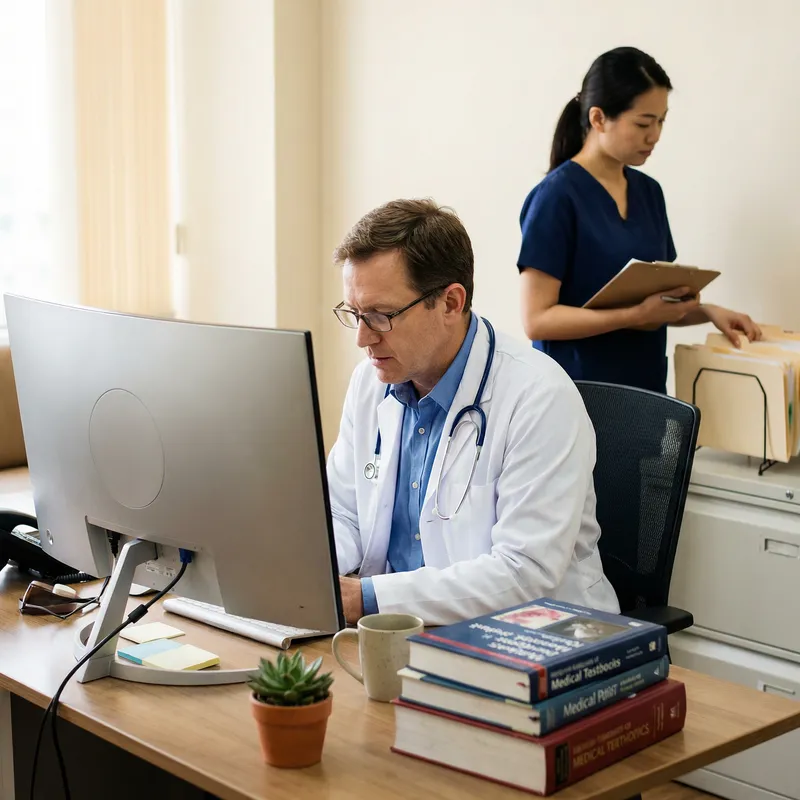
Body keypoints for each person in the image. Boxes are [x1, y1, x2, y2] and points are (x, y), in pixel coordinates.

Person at [326, 198, 619, 626]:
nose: (363, 338)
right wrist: (307, 572)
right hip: (400, 633)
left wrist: (367, 598)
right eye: (355, 314)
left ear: (450, 303)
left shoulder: (539, 397)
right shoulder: (371, 383)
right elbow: (344, 512)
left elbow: (524, 572)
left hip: (536, 641)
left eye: (381, 316)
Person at [517, 46, 761, 394]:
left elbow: (657, 305)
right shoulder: (556, 198)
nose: (655, 135)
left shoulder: (649, 193)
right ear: (598, 118)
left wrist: (707, 311)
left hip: (645, 396)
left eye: (661, 121)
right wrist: (634, 317)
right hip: (576, 396)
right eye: (644, 123)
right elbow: (537, 320)